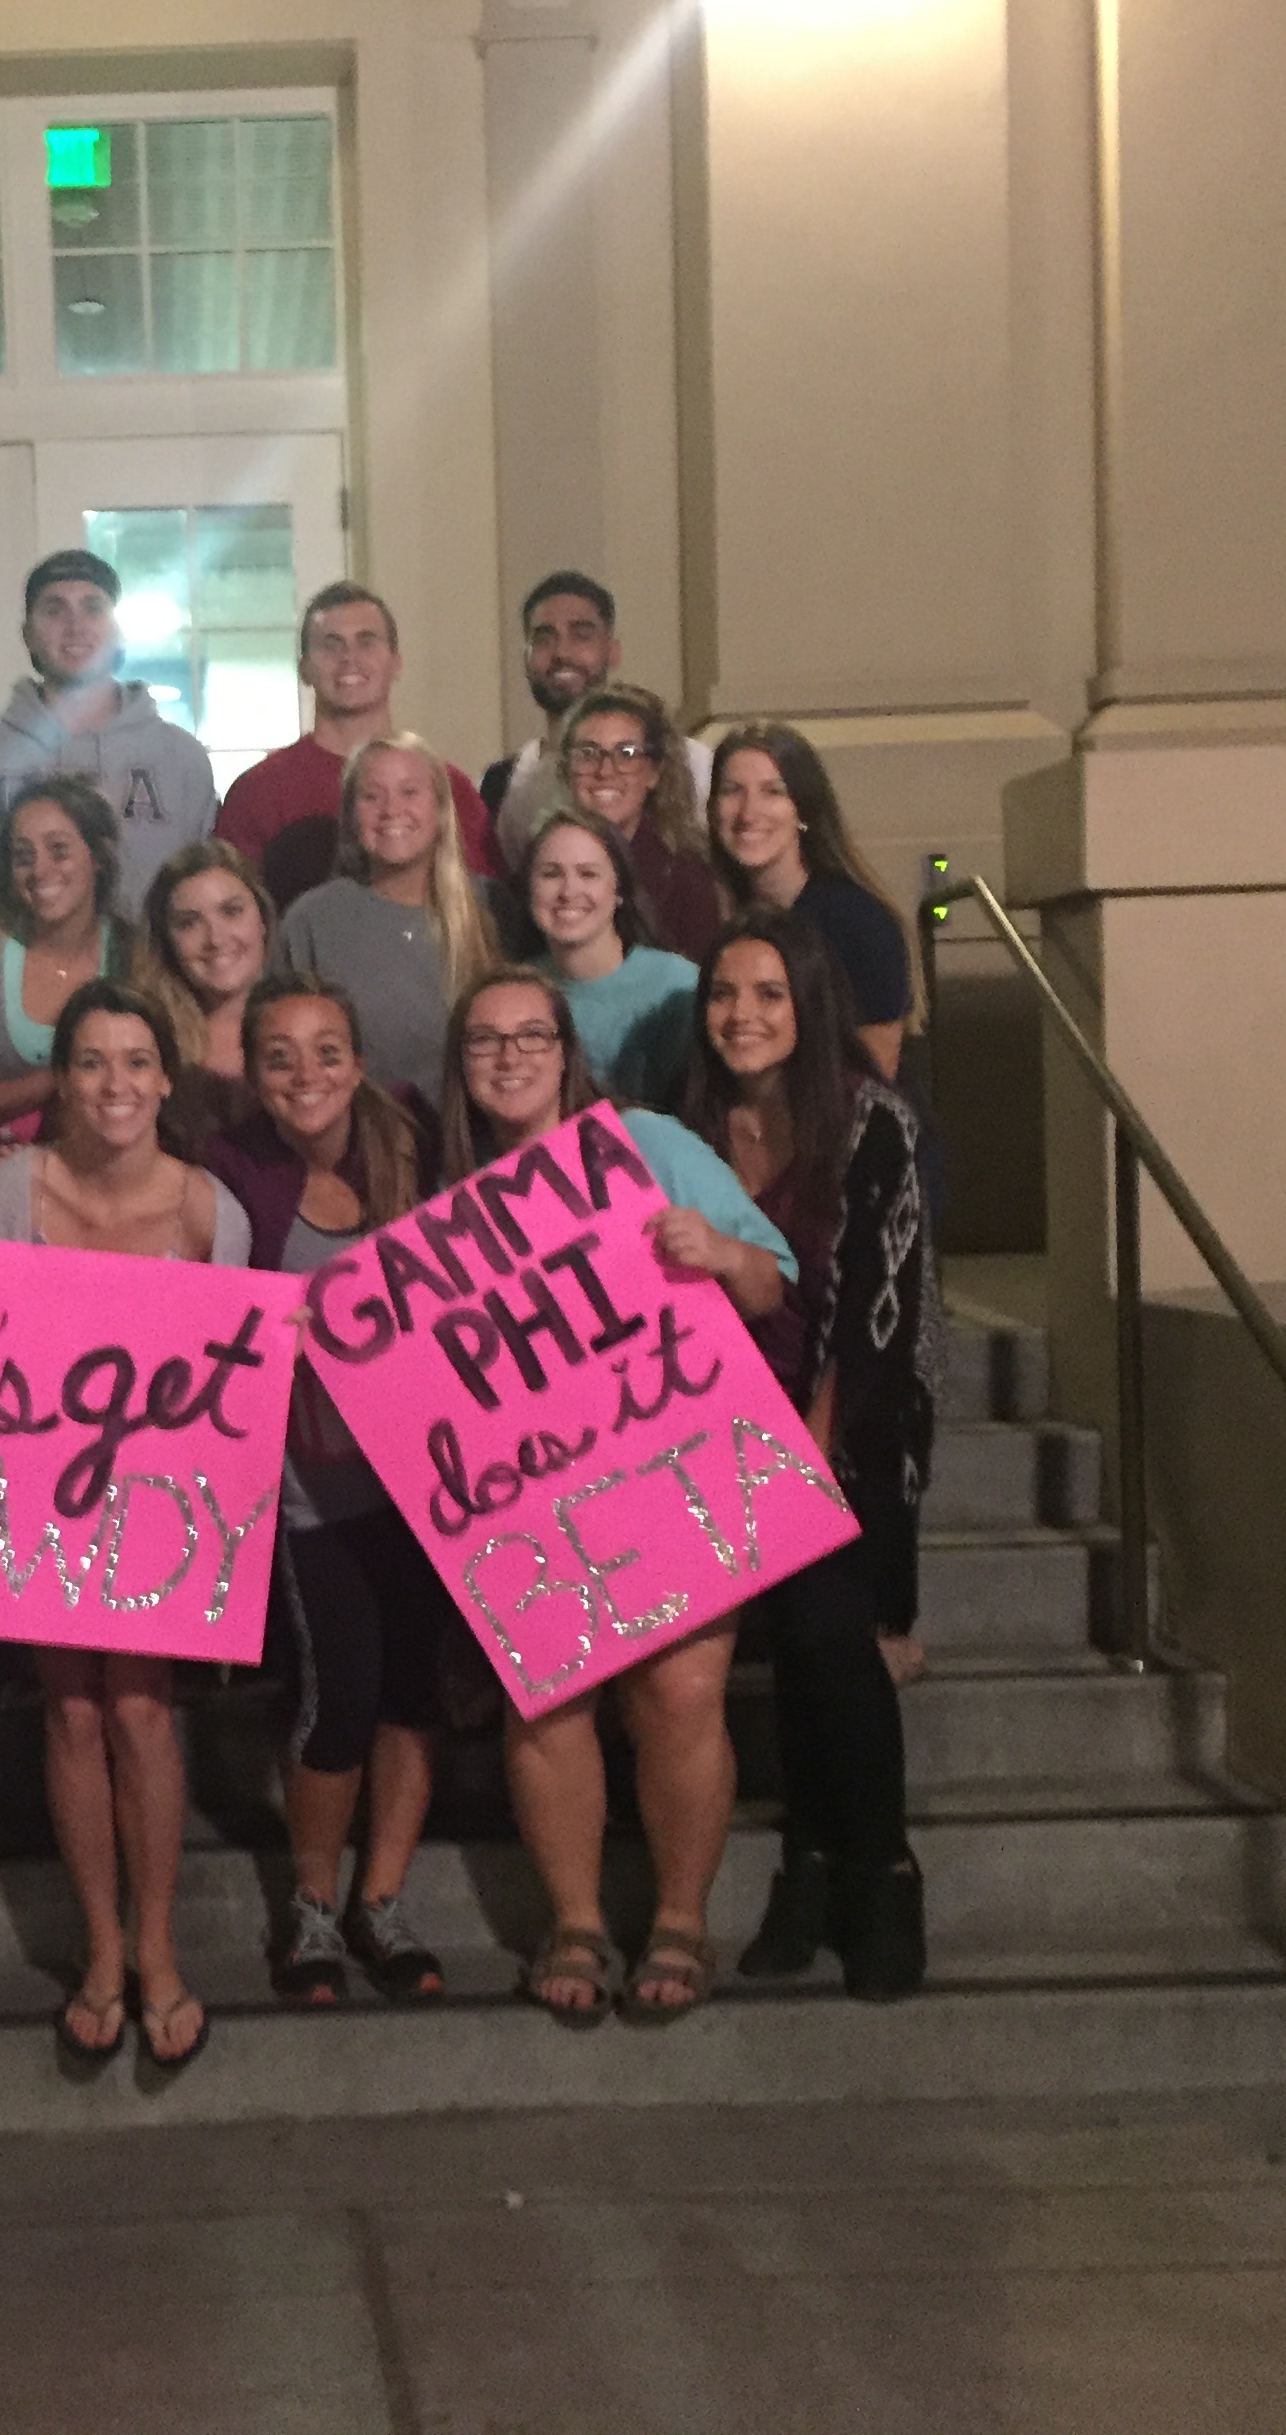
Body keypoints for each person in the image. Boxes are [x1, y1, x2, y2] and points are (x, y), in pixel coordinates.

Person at [436, 971, 797, 2024]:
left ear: (566, 1049)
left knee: (681, 1694)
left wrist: (720, 1250)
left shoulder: (647, 1143)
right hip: (530, 1488)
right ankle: (578, 1919)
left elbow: (772, 1278)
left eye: (530, 1035)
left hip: (671, 1457)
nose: (510, 1057)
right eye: (485, 1041)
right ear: (461, 1065)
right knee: (547, 1697)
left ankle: (681, 1919)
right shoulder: (446, 1193)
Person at [0, 981, 251, 2072]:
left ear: (166, 1079)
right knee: (71, 1712)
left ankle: (159, 1945)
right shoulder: (1, 1193)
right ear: (62, 1078)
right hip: (39, 1492)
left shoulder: (208, 1209)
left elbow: (234, 1386)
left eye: (136, 1062)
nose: (115, 1084)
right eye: (91, 1061)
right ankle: (99, 1943)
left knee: (138, 1708)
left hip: (159, 1507)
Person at [688, 911, 941, 2001]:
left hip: (847, 1425)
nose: (742, 1016)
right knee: (793, 1634)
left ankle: (877, 1870)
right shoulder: (683, 1128)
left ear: (808, 1008)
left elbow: (879, 1320)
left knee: (828, 1624)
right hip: (707, 1437)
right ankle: (811, 1866)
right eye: (725, 996)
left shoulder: (871, 1124)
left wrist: (809, 1461)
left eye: (768, 995)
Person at [204, 973, 452, 2005]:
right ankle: (313, 1904)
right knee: (339, 1694)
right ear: (254, 1077)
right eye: (279, 1056)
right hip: (308, 1495)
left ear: (359, 1063)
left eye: (326, 1051)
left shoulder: (414, 1150)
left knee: (415, 1697)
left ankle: (380, 1901)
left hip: (431, 1484)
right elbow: (199, 1315)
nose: (306, 1074)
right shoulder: (228, 1173)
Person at [0, 548, 217, 926]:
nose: (75, 625)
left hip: (150, 982)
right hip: (16, 981)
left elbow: (208, 888)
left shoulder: (180, 757)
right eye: (54, 609)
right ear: (28, 634)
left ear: (118, 632)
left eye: (93, 607)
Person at [210, 581, 500, 910]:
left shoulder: (447, 786)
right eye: (331, 645)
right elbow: (229, 915)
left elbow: (486, 911)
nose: (349, 658)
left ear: (396, 662)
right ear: (304, 668)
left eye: (366, 641)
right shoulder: (257, 792)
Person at [271, 732, 500, 1097]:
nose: (391, 810)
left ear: (440, 809)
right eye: (371, 796)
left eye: (410, 792)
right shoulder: (311, 921)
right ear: (350, 815)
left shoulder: (494, 908)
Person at [0, 774, 129, 1174]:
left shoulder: (133, 952)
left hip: (101, 1172)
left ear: (98, 856)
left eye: (59, 850)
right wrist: (60, 1079)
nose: (40, 870)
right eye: (23, 856)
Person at [707, 720, 921, 1081]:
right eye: (732, 791)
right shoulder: (717, 913)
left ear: (803, 809)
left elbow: (874, 1073)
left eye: (772, 792)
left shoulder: (857, 921)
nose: (748, 812)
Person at [479, 572, 712, 859]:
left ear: (613, 650)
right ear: (525, 657)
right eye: (544, 638)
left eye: (582, 635)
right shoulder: (506, 784)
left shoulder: (693, 764)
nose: (562, 652)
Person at [507, 803, 698, 1106]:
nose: (568, 891)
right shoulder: (513, 994)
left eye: (588, 874)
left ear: (619, 890)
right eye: (551, 874)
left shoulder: (678, 985)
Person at [547, 684, 723, 960]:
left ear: (654, 773)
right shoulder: (539, 867)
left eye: (626, 754)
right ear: (567, 768)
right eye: (588, 754)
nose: (605, 771)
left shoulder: (686, 879)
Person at [133, 838, 276, 1148]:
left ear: (262, 919)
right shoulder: (148, 1041)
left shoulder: (311, 1020)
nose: (215, 938)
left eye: (231, 911)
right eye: (189, 923)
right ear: (166, 941)